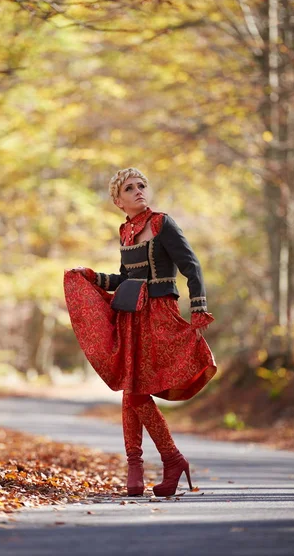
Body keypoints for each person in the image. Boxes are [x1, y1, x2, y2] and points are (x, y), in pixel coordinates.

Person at [64, 167, 216, 497]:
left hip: (160, 315)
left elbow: (192, 266)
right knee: (131, 390)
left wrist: (199, 306)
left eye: (142, 185)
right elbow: (124, 278)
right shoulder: (125, 231)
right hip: (132, 317)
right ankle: (139, 468)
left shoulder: (163, 223)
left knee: (135, 392)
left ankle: (166, 460)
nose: (138, 191)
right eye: (130, 188)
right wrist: (91, 276)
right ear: (119, 201)